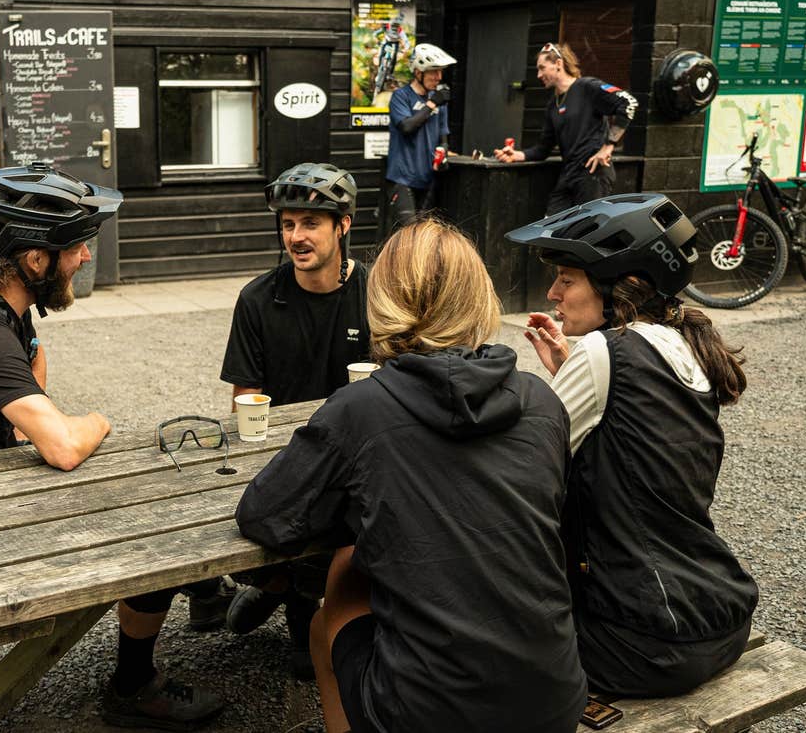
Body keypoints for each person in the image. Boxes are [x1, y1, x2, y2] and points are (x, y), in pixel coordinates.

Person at [237, 218, 586, 733]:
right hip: (554, 698)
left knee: (332, 598)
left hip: (427, 712)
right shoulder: (540, 399)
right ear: (478, 297)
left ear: (383, 301)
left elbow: (264, 516)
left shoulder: (360, 409)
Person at [0, 163, 223, 730]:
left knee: (153, 506)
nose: (83, 258)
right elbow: (61, 446)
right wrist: (98, 420)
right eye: (77, 247)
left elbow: (32, 384)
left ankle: (204, 588)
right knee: (158, 533)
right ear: (35, 259)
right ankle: (134, 686)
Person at [506, 194, 759, 697]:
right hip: (716, 618)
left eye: (567, 278)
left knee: (472, 653)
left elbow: (517, 467)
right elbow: (630, 438)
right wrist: (570, 372)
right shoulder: (681, 343)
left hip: (640, 642)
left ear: (624, 284)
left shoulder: (604, 351)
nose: (553, 293)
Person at [219, 162, 369, 678]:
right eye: (288, 224)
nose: (296, 237)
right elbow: (245, 398)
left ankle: (296, 594)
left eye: (310, 223)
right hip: (285, 457)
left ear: (343, 225)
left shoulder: (377, 295)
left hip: (358, 452)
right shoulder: (258, 299)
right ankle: (278, 585)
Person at [494, 43, 639, 215]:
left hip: (592, 173)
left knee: (588, 233)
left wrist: (608, 146)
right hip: (569, 174)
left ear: (558, 64)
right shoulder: (553, 105)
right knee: (550, 228)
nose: (539, 75)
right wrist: (516, 155)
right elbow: (542, 149)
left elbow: (628, 103)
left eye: (542, 68)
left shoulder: (587, 87)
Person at [382, 43, 455, 236]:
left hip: (427, 177)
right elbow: (407, 127)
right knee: (409, 233)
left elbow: (443, 134)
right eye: (433, 72)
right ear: (418, 72)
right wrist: (431, 104)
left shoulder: (438, 99)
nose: (438, 77)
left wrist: (444, 152)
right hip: (402, 177)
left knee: (424, 235)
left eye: (440, 72)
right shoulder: (401, 96)